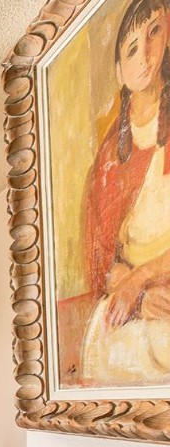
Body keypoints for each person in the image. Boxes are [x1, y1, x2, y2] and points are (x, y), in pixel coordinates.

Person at [80, 0, 170, 385]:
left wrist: (143, 279)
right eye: (132, 49)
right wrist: (136, 295)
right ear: (119, 69)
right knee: (104, 342)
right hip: (135, 297)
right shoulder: (109, 154)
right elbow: (101, 254)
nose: (145, 54)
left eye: (154, 33)